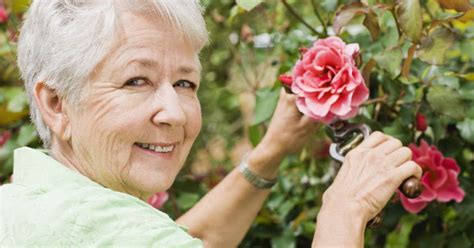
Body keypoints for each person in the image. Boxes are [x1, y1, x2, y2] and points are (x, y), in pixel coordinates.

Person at [0, 1, 422, 247]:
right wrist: (344, 210)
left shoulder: (27, 202)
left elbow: (185, 238)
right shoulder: (115, 232)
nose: (175, 112)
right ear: (56, 103)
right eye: (136, 80)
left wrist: (269, 153)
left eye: (185, 82)